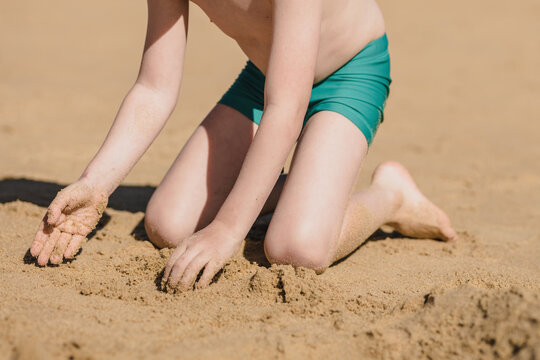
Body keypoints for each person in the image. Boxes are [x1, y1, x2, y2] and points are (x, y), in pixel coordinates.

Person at [30, 0, 457, 290]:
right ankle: (304, 190)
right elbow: (154, 88)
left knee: (296, 248)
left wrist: (227, 229)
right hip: (268, 77)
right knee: (168, 223)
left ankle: (391, 195)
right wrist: (96, 184)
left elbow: (287, 109)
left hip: (348, 73)